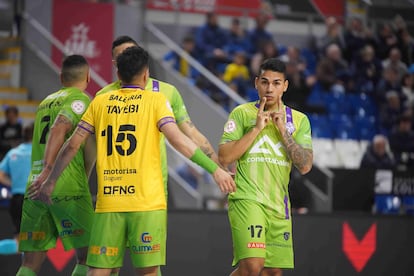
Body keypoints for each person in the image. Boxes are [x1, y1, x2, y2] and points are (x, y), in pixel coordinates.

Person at [31, 46, 236, 276]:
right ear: (146, 74)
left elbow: (71, 146)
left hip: (110, 202)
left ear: (118, 75)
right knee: (148, 272)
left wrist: (50, 181)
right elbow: (180, 142)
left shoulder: (100, 102)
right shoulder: (156, 101)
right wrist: (214, 170)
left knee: (98, 270)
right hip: (147, 202)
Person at [218, 58, 313, 276]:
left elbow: (305, 165)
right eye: (265, 82)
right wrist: (256, 129)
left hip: (279, 205)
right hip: (247, 198)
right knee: (253, 266)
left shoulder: (299, 120)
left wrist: (282, 130)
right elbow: (224, 157)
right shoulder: (242, 113)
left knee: (272, 272)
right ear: (256, 83)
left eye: (276, 83)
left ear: (285, 86)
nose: (269, 88)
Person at [97, 35, 221, 187]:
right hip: (115, 186)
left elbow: (191, 133)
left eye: (131, 53)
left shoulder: (166, 92)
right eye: (122, 57)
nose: (128, 59)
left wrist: (218, 168)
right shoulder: (103, 96)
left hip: (152, 188)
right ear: (115, 64)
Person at [16, 55, 94, 276]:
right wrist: (49, 173)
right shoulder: (81, 99)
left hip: (34, 186)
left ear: (61, 77)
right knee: (89, 257)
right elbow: (59, 127)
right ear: (88, 77)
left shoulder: (44, 103)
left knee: (29, 263)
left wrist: (41, 175)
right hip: (64, 184)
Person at [0, 123, 33, 255]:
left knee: (20, 241)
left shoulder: (13, 153)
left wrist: (15, 184)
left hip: (17, 199)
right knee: (34, 241)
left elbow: (1, 175)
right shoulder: (41, 152)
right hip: (34, 199)